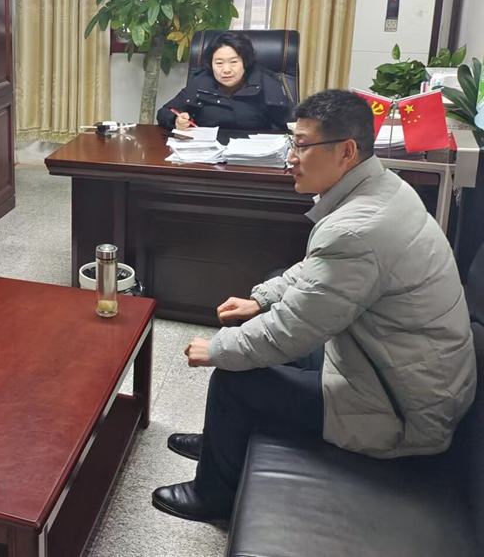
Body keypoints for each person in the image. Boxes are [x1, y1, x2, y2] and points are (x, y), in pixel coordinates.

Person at [152, 90, 477, 523]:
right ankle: (222, 439)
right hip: (398, 370)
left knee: (235, 379)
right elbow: (318, 273)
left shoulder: (358, 230)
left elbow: (292, 331)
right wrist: (261, 298)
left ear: (346, 151)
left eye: (302, 145)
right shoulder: (385, 186)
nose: (291, 157)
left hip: (402, 411)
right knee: (270, 295)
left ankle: (213, 496)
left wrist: (216, 349)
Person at [156, 31, 292, 131]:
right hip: (207, 154)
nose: (226, 70)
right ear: (211, 64)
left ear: (245, 62)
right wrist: (177, 120)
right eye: (219, 63)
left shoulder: (266, 83)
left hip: (255, 155)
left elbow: (294, 122)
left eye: (233, 62)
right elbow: (165, 112)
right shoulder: (201, 82)